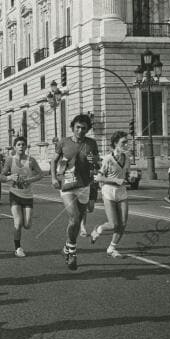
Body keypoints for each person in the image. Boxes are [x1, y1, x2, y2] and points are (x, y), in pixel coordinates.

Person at [52, 114, 100, 271]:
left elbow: (96, 166)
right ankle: (72, 252)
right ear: (73, 127)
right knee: (74, 217)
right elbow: (54, 161)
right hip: (67, 185)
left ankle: (67, 246)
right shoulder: (64, 142)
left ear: (87, 130)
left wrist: (95, 163)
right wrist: (53, 178)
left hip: (84, 185)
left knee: (78, 221)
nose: (80, 130)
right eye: (78, 127)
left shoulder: (91, 143)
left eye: (84, 128)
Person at [0, 136, 43, 257]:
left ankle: (21, 225)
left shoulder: (31, 160)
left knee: (27, 225)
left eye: (23, 144)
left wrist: (29, 180)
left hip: (28, 196)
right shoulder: (9, 160)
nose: (21, 147)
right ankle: (18, 248)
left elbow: (40, 174)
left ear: (26, 147)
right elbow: (1, 177)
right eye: (18, 144)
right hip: (15, 194)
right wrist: (10, 177)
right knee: (18, 223)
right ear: (14, 147)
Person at [90, 131, 130, 259]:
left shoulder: (126, 158)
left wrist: (129, 178)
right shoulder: (108, 158)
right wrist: (116, 180)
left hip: (122, 192)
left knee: (123, 224)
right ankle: (99, 229)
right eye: (123, 142)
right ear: (115, 144)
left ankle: (112, 248)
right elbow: (99, 177)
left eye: (126, 142)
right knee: (113, 224)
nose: (126, 144)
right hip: (109, 192)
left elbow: (124, 174)